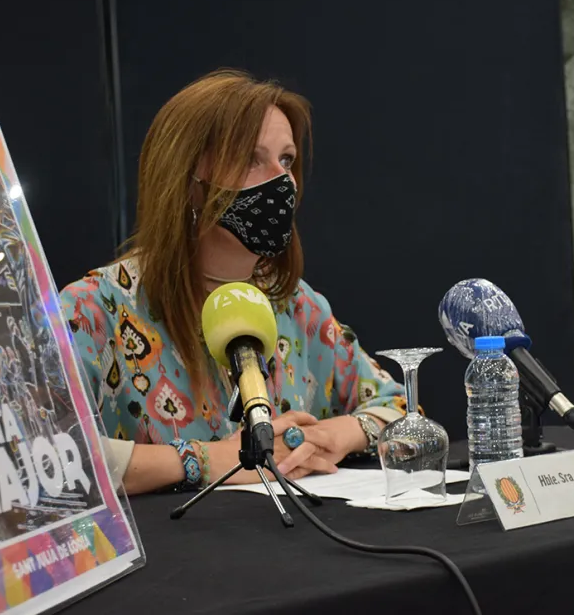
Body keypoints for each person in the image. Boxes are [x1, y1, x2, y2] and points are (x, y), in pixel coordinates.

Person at [61, 70, 406, 495]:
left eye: (286, 161)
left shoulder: (299, 306)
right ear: (186, 177)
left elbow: (399, 409)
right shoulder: (94, 310)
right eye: (251, 159)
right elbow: (45, 458)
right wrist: (205, 460)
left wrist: (336, 435)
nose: (282, 182)